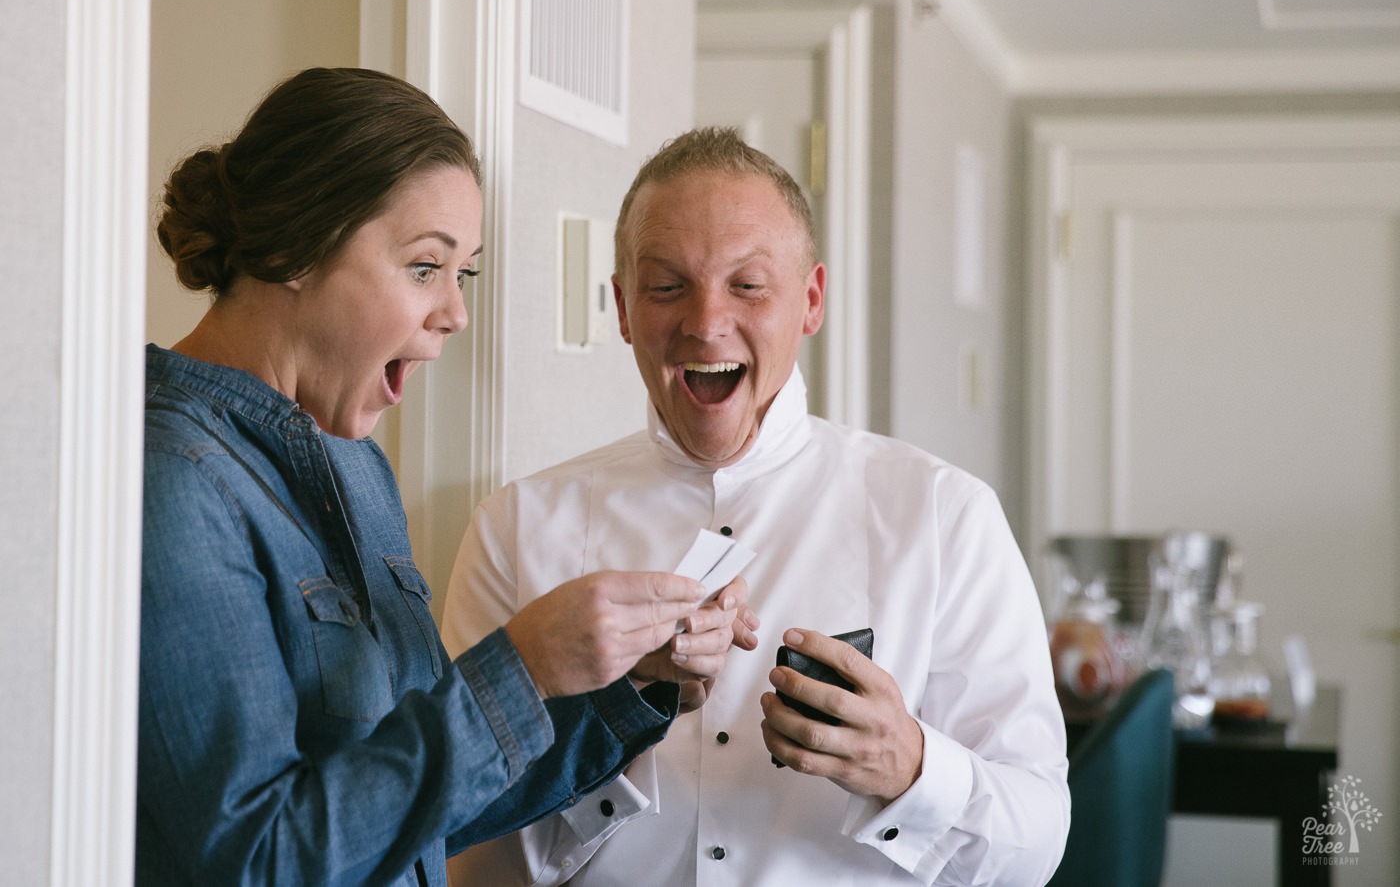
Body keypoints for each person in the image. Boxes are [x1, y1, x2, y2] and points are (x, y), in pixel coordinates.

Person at [138, 68, 751, 886]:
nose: (456, 313)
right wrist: (522, 667)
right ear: (292, 247)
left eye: (463, 274)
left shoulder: (355, 463)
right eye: (425, 266)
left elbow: (421, 813)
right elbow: (256, 863)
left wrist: (627, 683)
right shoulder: (171, 485)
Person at [441, 127, 1070, 885]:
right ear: (622, 308)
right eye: (667, 285)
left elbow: (1037, 844)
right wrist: (615, 721)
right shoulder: (516, 528)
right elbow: (460, 850)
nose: (706, 322)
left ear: (809, 300)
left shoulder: (945, 516)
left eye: (747, 284)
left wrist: (910, 766)